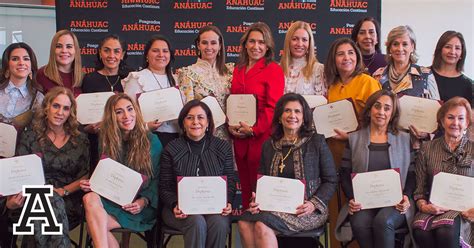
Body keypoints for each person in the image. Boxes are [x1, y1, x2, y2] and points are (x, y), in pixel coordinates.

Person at [238, 93, 337, 247]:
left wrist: (313, 204)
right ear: (279, 116)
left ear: (304, 117)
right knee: (244, 222)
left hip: (306, 210)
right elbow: (261, 180)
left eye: (297, 111)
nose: (292, 115)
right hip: (272, 208)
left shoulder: (317, 142)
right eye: (287, 111)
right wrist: (256, 199)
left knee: (261, 226)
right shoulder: (268, 145)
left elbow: (331, 180)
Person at [81, 93, 162, 248]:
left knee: (95, 226)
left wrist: (143, 201)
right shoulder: (106, 140)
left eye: (130, 109)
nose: (126, 116)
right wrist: (93, 184)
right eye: (119, 112)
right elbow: (104, 175)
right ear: (112, 117)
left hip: (137, 207)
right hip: (111, 201)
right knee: (89, 198)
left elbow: (157, 179)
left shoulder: (152, 141)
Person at [336, 89, 415, 248]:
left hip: (396, 202)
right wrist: (351, 198)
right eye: (377, 106)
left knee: (383, 221)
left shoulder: (405, 139)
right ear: (369, 109)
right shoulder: (354, 138)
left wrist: (406, 196)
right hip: (364, 202)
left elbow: (413, 173)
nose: (381, 112)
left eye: (387, 108)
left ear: (393, 114)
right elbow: (344, 174)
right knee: (359, 222)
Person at [16, 86, 90, 247]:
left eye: (66, 108)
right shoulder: (30, 136)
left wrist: (63, 191)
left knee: (40, 214)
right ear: (46, 107)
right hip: (33, 196)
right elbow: (20, 171)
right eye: (56, 106)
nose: (60, 112)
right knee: (44, 202)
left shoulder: (80, 139)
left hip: (68, 198)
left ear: (71, 112)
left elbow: (85, 176)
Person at [159, 100, 237, 248]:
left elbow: (230, 182)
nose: (195, 122)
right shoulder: (172, 149)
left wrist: (228, 202)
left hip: (214, 208)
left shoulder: (222, 147)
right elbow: (164, 186)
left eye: (200, 117)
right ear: (183, 123)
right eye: (190, 117)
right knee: (196, 221)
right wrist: (175, 204)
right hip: (177, 210)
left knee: (219, 223)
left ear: (208, 122)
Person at [228, 22, 285, 209]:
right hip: (239, 138)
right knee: (245, 190)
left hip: (261, 138)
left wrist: (253, 129)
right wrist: (232, 126)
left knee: (259, 191)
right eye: (252, 41)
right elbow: (232, 102)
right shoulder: (238, 69)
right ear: (245, 44)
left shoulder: (274, 70)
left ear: (267, 46)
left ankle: (261, 232)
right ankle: (246, 229)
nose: (256, 46)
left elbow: (273, 107)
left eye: (261, 42)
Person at [412, 97, 473, 248]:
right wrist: (423, 205)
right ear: (441, 120)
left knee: (446, 230)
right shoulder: (427, 148)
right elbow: (420, 188)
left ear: (467, 122)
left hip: (466, 211)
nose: (455, 123)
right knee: (420, 231)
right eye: (450, 117)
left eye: (461, 118)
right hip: (433, 208)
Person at [82, 34, 131, 168]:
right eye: (106, 50)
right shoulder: (89, 79)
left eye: (116, 51)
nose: (111, 55)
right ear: (100, 53)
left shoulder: (130, 78)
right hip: (97, 142)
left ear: (122, 55)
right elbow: (83, 116)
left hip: (125, 143)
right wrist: (87, 128)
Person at [178, 25, 234, 141]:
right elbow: (188, 110)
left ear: (220, 46)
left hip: (230, 136)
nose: (209, 47)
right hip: (202, 137)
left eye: (213, 43)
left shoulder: (231, 71)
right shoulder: (187, 73)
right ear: (198, 45)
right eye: (204, 43)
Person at [123, 34, 179, 147]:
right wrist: (147, 126)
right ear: (147, 55)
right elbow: (127, 115)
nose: (161, 54)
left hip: (176, 140)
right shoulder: (136, 79)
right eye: (155, 50)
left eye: (165, 51)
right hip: (147, 139)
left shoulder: (178, 80)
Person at [373, 25, 440, 100]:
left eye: (405, 44)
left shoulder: (425, 75)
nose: (400, 49)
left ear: (412, 47)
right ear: (390, 48)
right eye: (395, 44)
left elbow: (436, 108)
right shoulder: (378, 75)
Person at [0, 42, 44, 131]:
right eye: (15, 59)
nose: (21, 63)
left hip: (23, 144)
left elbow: (39, 132)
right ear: (7, 65)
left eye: (26, 59)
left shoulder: (38, 98)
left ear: (31, 65)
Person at [280, 21, 326, 95]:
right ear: (288, 41)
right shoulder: (278, 69)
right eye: (295, 39)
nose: (299, 44)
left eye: (304, 40)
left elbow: (322, 103)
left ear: (309, 43)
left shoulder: (319, 69)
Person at [36, 30, 82, 95]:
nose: (64, 50)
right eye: (59, 46)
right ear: (53, 50)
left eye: (69, 46)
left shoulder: (83, 77)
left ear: (76, 50)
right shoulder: (41, 74)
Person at [431, 31, 472, 103]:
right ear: (440, 50)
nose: (452, 52)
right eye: (448, 47)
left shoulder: (469, 85)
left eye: (457, 48)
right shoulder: (423, 75)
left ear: (462, 54)